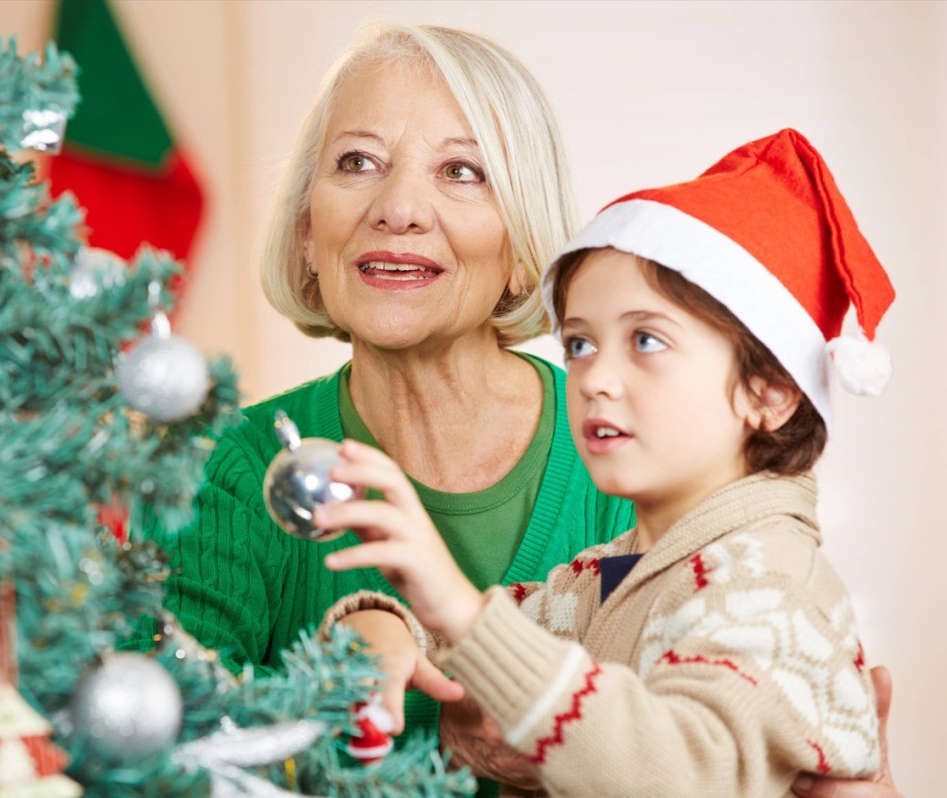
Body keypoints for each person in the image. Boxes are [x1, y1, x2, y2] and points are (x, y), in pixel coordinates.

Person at [132, 21, 899, 797]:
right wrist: (385, 627)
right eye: (357, 162)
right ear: (306, 230)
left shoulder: (649, 475)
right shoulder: (226, 470)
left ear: (522, 246)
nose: (398, 207)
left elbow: (676, 760)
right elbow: (145, 749)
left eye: (462, 171)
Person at [315, 128, 896, 796]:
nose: (595, 379)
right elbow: (504, 638)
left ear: (770, 391)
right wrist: (392, 624)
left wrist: (459, 610)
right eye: (582, 345)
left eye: (646, 340)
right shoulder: (619, 571)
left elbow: (675, 773)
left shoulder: (768, 589)